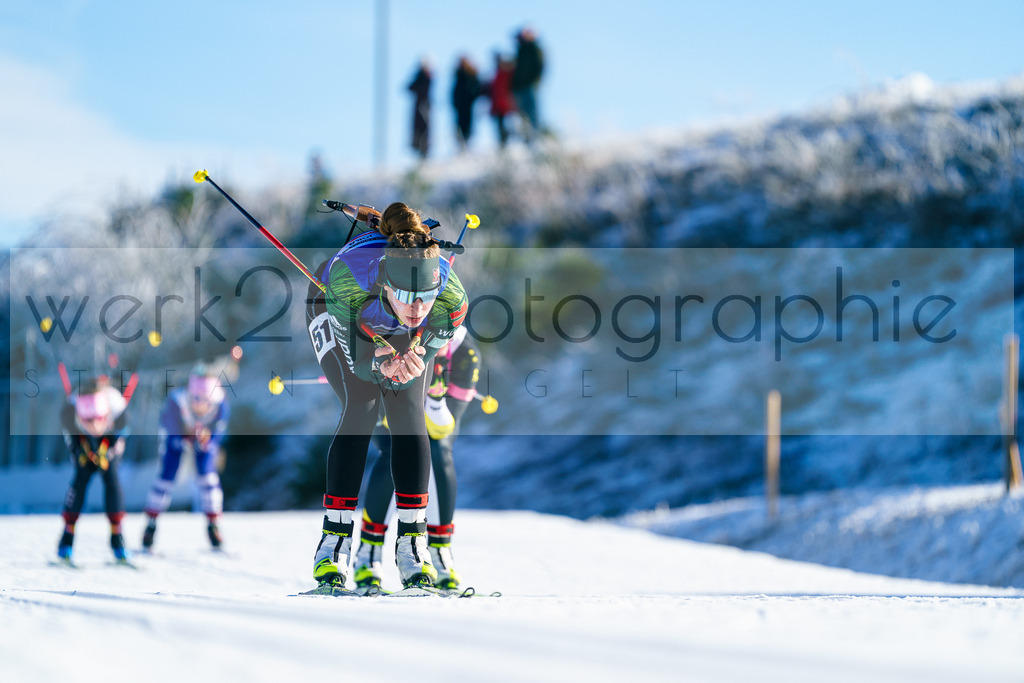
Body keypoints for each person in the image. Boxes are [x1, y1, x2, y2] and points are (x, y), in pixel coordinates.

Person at [305, 201, 468, 591]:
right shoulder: (350, 279)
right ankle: (334, 546)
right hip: (334, 304)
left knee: (408, 405)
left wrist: (412, 358)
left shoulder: (450, 299)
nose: (416, 309)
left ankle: (413, 546)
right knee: (362, 404)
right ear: (386, 282)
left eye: (424, 298)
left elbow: (420, 345)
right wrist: (376, 366)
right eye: (406, 296)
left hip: (384, 317)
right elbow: (361, 367)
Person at [353, 324, 481, 591]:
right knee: (393, 447)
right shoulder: (391, 339)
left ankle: (440, 554)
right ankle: (368, 554)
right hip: (391, 398)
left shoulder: (463, 353)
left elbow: (444, 428)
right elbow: (379, 417)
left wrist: (434, 396)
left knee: (440, 449)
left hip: (439, 410)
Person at [141, 364, 230, 551]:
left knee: (208, 477)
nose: (199, 405)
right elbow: (170, 430)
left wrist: (207, 442)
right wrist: (184, 438)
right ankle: (151, 524)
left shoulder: (221, 406)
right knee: (167, 476)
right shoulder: (176, 402)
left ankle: (214, 525)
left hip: (200, 441)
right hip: (177, 438)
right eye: (195, 399)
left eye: (205, 401)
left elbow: (217, 437)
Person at [56, 375, 130, 564]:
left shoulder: (117, 408)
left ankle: (117, 539)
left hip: (109, 438)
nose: (95, 425)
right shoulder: (69, 413)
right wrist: (82, 452)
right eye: (89, 420)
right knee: (80, 480)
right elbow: (71, 440)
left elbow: (121, 434)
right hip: (83, 441)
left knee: (111, 480)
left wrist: (106, 452)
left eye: (99, 418)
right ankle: (66, 539)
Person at [511, 27, 545, 143]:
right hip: (519, 88)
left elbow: (539, 67)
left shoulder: (534, 49)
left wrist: (533, 82)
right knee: (522, 116)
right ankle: (527, 140)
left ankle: (535, 139)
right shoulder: (520, 51)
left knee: (532, 114)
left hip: (529, 87)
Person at [451, 55, 482, 151]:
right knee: (459, 126)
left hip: (468, 105)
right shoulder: (459, 75)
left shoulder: (471, 75)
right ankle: (461, 146)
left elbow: (477, 89)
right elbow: (455, 92)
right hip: (460, 106)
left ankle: (467, 144)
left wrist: (472, 96)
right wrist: (455, 102)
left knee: (468, 125)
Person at [487, 52, 516, 148]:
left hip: (505, 104)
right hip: (498, 105)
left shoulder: (506, 72)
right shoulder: (497, 73)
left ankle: (509, 143)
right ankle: (503, 144)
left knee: (509, 125)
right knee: (500, 126)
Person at [408, 58, 433, 159]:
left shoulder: (427, 77)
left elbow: (417, 88)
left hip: (424, 105)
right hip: (419, 105)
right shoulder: (420, 76)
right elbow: (409, 87)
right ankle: (419, 148)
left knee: (425, 127)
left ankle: (424, 149)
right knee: (418, 128)